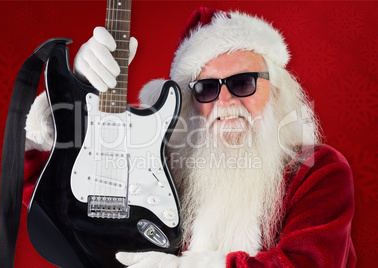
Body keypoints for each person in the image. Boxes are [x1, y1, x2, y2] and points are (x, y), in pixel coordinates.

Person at [24, 7, 356, 267]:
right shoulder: (163, 170)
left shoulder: (318, 171)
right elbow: (47, 197)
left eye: (243, 82)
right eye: (207, 88)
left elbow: (309, 262)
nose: (226, 102)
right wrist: (70, 104)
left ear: (278, 89)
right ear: (190, 104)